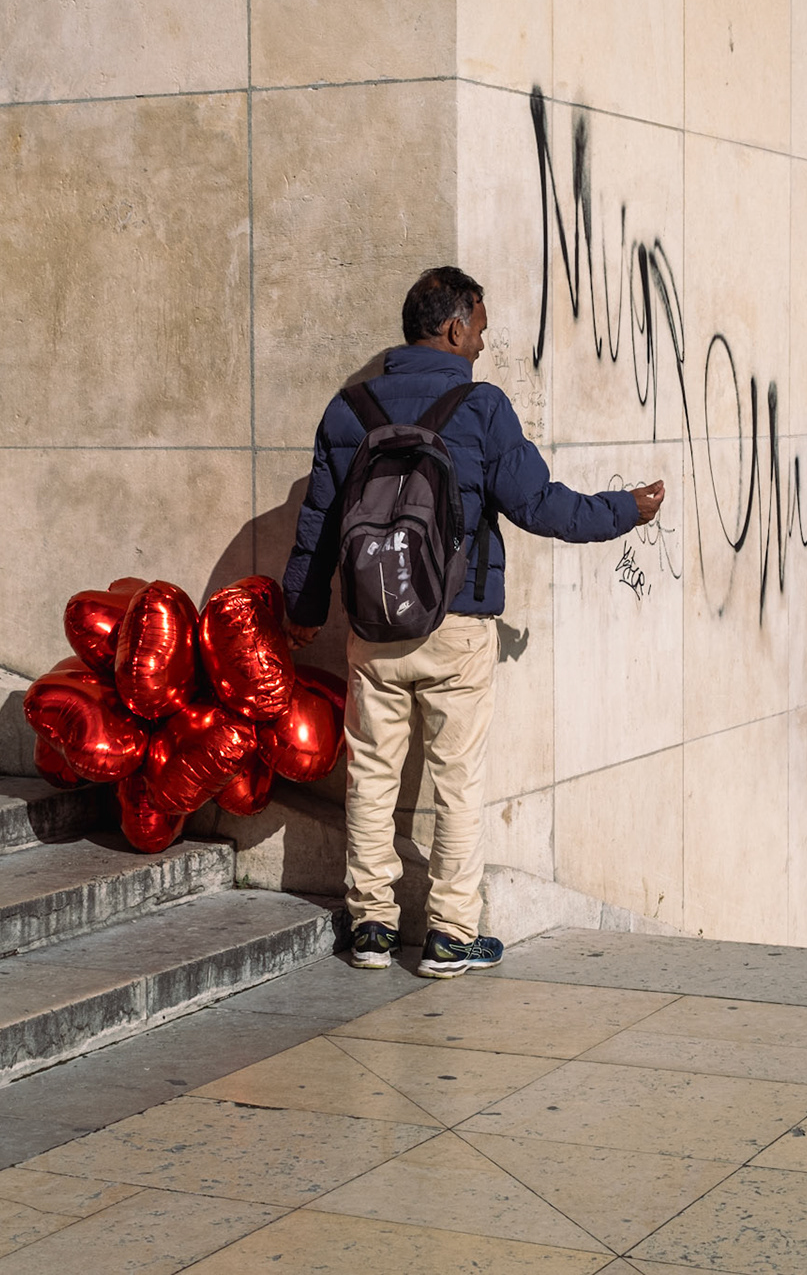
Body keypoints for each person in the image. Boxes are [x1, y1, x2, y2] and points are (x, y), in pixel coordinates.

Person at [282, 266, 665, 978]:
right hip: (456, 625)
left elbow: (318, 527)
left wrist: (301, 613)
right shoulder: (481, 407)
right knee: (457, 782)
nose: (484, 344)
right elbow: (541, 505)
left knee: (370, 773)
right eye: (481, 329)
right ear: (455, 327)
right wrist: (624, 511)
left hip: (372, 627)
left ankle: (370, 926)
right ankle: (451, 934)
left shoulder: (347, 409)